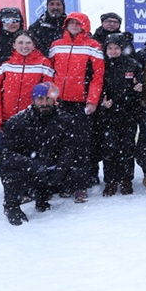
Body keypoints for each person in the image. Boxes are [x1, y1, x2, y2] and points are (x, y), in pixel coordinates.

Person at [0, 83, 74, 225]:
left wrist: (61, 168)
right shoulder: (17, 122)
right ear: (33, 99)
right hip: (27, 167)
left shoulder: (65, 119)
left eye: (48, 99)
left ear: (55, 100)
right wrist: (32, 165)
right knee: (9, 171)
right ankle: (11, 206)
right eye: (40, 98)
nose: (44, 103)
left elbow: (68, 148)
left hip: (49, 166)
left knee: (77, 166)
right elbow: (6, 155)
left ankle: (42, 196)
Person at [48, 12, 105, 202]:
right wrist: (50, 97)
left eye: (77, 23)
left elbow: (98, 76)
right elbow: (50, 72)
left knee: (81, 145)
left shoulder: (93, 46)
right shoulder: (56, 45)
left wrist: (92, 100)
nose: (74, 25)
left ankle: (80, 185)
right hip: (59, 102)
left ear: (84, 25)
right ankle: (63, 183)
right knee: (60, 144)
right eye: (71, 22)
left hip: (81, 102)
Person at [0, 31, 55, 153]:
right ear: (14, 45)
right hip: (7, 121)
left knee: (31, 161)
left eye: (28, 42)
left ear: (34, 45)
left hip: (32, 120)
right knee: (7, 161)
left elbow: (49, 93)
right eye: (20, 42)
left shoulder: (43, 63)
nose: (24, 46)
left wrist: (44, 119)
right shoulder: (4, 63)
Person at [95, 33, 144, 196]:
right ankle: (110, 181)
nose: (114, 51)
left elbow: (140, 87)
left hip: (128, 113)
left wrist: (139, 89)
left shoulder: (133, 64)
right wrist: (102, 102)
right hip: (108, 115)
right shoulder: (101, 65)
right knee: (109, 148)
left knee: (127, 148)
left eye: (117, 48)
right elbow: (96, 86)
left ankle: (126, 180)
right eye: (110, 48)